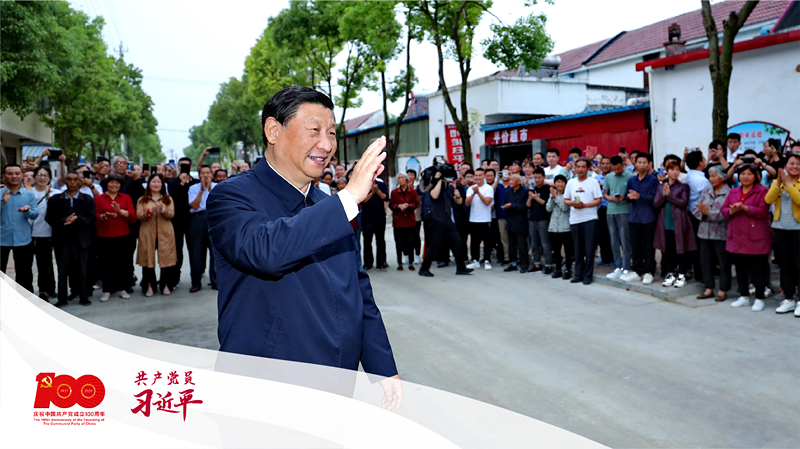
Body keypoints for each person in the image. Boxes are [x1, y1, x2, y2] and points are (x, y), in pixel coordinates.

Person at [206, 87, 402, 404]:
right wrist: (348, 198)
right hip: (265, 391)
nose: (326, 144)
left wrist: (382, 367)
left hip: (336, 385)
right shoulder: (232, 196)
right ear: (273, 130)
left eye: (331, 133)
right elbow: (265, 252)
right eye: (314, 130)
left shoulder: (329, 205)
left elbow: (356, 289)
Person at [722, 165, 772, 311]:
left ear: (756, 176)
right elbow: (724, 209)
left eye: (749, 174)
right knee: (740, 267)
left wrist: (745, 208)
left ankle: (759, 298)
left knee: (758, 269)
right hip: (737, 235)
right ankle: (744, 296)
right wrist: (731, 211)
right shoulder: (734, 191)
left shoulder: (763, 191)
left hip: (756, 235)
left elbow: (763, 211)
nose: (745, 177)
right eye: (742, 174)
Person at [45, 171, 95, 306]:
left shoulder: (88, 199)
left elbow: (91, 218)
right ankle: (62, 298)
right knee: (62, 270)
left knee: (83, 269)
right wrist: (64, 220)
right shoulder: (55, 199)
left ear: (79, 182)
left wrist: (78, 219)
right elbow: (49, 218)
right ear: (64, 181)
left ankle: (83, 296)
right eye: (69, 179)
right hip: (62, 239)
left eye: (75, 179)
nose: (72, 182)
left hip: (82, 240)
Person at [419, 170, 472, 277]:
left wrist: (457, 196)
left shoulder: (449, 187)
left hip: (448, 221)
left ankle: (461, 268)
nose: (450, 179)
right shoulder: (434, 185)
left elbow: (459, 202)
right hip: (437, 220)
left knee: (458, 242)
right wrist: (439, 180)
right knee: (433, 246)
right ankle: (424, 269)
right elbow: (434, 195)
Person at [765, 154, 800, 315]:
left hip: (797, 229)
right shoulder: (776, 182)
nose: (795, 166)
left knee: (799, 266)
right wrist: (779, 184)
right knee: (786, 266)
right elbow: (768, 199)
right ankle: (789, 299)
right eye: (791, 163)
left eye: (798, 164)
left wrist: (788, 184)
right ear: (785, 166)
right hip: (780, 228)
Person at [653, 161, 696, 288]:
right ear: (667, 171)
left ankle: (682, 274)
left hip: (680, 222)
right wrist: (664, 195)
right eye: (672, 170)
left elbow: (683, 203)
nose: (675, 172)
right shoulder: (661, 186)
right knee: (667, 249)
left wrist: (669, 195)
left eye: (677, 170)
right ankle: (670, 273)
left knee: (681, 249)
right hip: (665, 221)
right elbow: (656, 204)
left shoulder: (683, 187)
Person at [94, 174, 137, 302]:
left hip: (122, 234)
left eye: (117, 183)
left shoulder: (126, 197)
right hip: (104, 235)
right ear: (106, 184)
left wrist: (120, 211)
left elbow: (133, 216)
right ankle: (106, 290)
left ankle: (122, 288)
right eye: (111, 182)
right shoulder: (99, 198)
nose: (114, 185)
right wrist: (104, 216)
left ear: (120, 185)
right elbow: (95, 215)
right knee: (105, 263)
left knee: (122, 263)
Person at [692, 166, 732, 301]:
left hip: (721, 234)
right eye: (710, 176)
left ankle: (723, 290)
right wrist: (704, 214)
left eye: (714, 176)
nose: (711, 179)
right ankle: (708, 289)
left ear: (722, 177)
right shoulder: (705, 192)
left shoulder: (729, 193)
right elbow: (695, 209)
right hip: (704, 232)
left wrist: (709, 213)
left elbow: (726, 214)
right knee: (705, 262)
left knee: (723, 263)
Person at [136, 174, 178, 296]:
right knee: (147, 258)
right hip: (147, 232)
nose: (156, 184)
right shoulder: (142, 199)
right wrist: (149, 212)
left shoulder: (168, 199)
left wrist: (163, 210)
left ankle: (166, 285)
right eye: (153, 182)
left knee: (166, 259)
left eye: (158, 182)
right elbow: (139, 215)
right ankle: (149, 285)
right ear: (149, 184)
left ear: (162, 185)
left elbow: (171, 214)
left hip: (165, 232)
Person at [563, 158, 603, 285]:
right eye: (578, 166)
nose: (580, 169)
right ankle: (578, 274)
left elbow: (598, 200)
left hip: (589, 218)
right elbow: (565, 199)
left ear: (588, 168)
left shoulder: (593, 182)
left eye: (583, 167)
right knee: (577, 248)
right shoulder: (571, 182)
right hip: (575, 219)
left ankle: (587, 275)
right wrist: (573, 203)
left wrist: (585, 205)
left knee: (589, 248)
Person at [1, 164, 39, 293]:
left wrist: (27, 211)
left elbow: (35, 215)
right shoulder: (0, 194)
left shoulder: (29, 195)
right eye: (10, 173)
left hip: (23, 238)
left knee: (24, 274)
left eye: (17, 173)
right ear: (3, 176)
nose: (14, 176)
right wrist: (3, 203)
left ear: (22, 176)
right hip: (1, 239)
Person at [622, 153, 659, 284]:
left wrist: (640, 196)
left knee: (649, 246)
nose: (642, 165)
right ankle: (637, 270)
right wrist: (629, 197)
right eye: (639, 162)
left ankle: (649, 271)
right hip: (634, 217)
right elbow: (627, 196)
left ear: (649, 164)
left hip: (648, 217)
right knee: (635, 246)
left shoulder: (653, 180)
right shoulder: (632, 180)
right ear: (635, 164)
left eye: (644, 162)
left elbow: (655, 198)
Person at [166, 157, 198, 287]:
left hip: (192, 220)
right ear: (178, 167)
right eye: (181, 166)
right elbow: (172, 197)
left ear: (190, 167)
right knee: (177, 250)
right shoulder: (172, 182)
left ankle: (196, 279)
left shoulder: (196, 182)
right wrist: (181, 183)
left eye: (186, 166)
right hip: (177, 220)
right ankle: (175, 278)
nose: (183, 168)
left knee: (194, 250)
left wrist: (187, 183)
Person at [604, 156, 634, 280]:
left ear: (623, 165)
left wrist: (624, 197)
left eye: (618, 169)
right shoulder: (609, 177)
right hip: (611, 210)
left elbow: (632, 193)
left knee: (625, 240)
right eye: (614, 169)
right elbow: (605, 194)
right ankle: (618, 266)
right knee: (614, 240)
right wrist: (611, 198)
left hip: (625, 210)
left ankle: (626, 267)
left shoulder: (630, 176)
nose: (616, 171)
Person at [187, 165, 217, 292]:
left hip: (213, 219)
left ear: (211, 175)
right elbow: (194, 206)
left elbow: (218, 204)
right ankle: (196, 282)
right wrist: (201, 191)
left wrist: (209, 190)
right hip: (197, 219)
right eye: (203, 173)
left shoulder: (217, 187)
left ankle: (215, 281)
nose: (205, 176)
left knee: (215, 252)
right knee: (196, 252)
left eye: (208, 173)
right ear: (199, 176)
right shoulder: (193, 188)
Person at [29, 166, 56, 301]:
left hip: (46, 234)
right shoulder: (27, 193)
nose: (42, 178)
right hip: (27, 235)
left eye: (45, 175)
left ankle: (44, 291)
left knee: (44, 265)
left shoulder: (55, 193)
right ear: (34, 177)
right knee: (25, 265)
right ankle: (26, 291)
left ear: (50, 178)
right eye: (39, 175)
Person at [683, 150, 711, 282]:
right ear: (700, 162)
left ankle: (697, 272)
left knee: (695, 245)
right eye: (704, 158)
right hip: (699, 215)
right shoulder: (702, 181)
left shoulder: (689, 176)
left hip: (690, 212)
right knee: (702, 247)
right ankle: (702, 274)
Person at [465, 168, 495, 270]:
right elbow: (467, 203)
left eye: (480, 175)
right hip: (473, 219)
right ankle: (475, 260)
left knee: (487, 241)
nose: (478, 177)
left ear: (484, 176)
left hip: (485, 219)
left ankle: (487, 260)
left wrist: (478, 192)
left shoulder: (488, 188)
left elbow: (487, 202)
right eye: (476, 175)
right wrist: (474, 193)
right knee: (474, 241)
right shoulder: (471, 189)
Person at [389, 172, 419, 271]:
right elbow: (391, 204)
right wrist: (398, 206)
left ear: (406, 179)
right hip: (398, 221)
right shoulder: (394, 192)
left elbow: (416, 203)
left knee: (410, 242)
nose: (401, 180)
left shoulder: (412, 191)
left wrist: (408, 206)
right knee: (399, 243)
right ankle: (399, 262)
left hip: (410, 220)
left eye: (402, 178)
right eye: (399, 178)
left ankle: (411, 262)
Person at [546, 175, 573, 279]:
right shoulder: (553, 194)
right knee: (556, 250)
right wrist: (553, 197)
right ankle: (558, 269)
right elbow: (548, 208)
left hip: (565, 226)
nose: (560, 184)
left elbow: (564, 208)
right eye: (558, 182)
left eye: (562, 182)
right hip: (554, 226)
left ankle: (568, 269)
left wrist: (556, 197)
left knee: (568, 250)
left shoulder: (568, 195)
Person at [501, 174, 529, 273]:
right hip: (510, 221)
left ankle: (524, 264)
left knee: (522, 245)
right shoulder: (508, 191)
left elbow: (525, 206)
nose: (510, 182)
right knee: (511, 245)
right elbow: (504, 202)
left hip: (521, 222)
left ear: (518, 182)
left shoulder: (525, 192)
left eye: (512, 180)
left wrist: (512, 205)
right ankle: (513, 263)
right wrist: (505, 206)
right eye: (510, 180)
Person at [526, 168, 552, 273]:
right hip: (532, 219)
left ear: (544, 177)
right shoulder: (533, 189)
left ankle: (548, 265)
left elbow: (546, 204)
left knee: (545, 243)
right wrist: (530, 198)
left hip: (543, 219)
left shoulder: (548, 189)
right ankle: (537, 264)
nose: (537, 180)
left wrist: (536, 198)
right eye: (535, 178)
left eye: (539, 178)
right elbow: (528, 205)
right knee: (534, 243)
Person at [361, 176, 389, 271]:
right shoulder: (363, 185)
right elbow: (363, 201)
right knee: (367, 241)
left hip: (380, 217)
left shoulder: (381, 184)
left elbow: (386, 197)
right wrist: (372, 192)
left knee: (380, 240)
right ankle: (368, 263)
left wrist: (378, 191)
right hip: (367, 218)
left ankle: (380, 262)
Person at [593, 156, 614, 267]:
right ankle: (604, 258)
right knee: (601, 234)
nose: (605, 166)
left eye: (607, 163)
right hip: (599, 209)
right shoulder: (595, 178)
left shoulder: (614, 177)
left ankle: (613, 258)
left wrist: (603, 186)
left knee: (611, 234)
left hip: (610, 208)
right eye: (603, 163)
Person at [484, 168, 505, 264]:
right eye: (487, 176)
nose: (489, 178)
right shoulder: (483, 187)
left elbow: (492, 190)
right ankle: (486, 257)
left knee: (499, 237)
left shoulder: (499, 186)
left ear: (494, 176)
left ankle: (501, 256)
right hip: (486, 216)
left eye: (491, 176)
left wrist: (497, 180)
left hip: (497, 215)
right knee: (487, 238)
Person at [408, 169, 423, 264]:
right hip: (406, 215)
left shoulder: (419, 187)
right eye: (408, 175)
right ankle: (406, 254)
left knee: (416, 235)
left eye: (412, 175)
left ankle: (417, 254)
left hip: (416, 214)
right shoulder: (400, 187)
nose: (410, 177)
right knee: (406, 236)